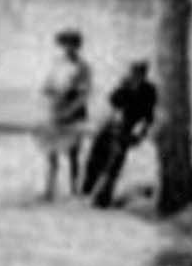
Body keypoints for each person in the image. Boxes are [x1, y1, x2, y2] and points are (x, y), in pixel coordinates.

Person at [79, 54, 159, 207]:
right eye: (134, 72)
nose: (136, 76)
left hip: (128, 128)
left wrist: (140, 135)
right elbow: (113, 101)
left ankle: (102, 197)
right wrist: (123, 87)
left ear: (144, 74)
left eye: (139, 73)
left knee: (114, 163)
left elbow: (149, 116)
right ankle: (87, 190)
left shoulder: (149, 90)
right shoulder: (125, 84)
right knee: (96, 156)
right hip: (111, 125)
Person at [36, 29, 93, 197]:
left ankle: (74, 189)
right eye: (66, 45)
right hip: (56, 109)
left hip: (75, 111)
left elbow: (85, 93)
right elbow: (46, 85)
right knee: (51, 152)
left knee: (73, 153)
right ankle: (50, 189)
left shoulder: (83, 67)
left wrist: (71, 109)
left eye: (72, 45)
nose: (69, 48)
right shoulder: (57, 63)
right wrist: (50, 94)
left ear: (78, 47)